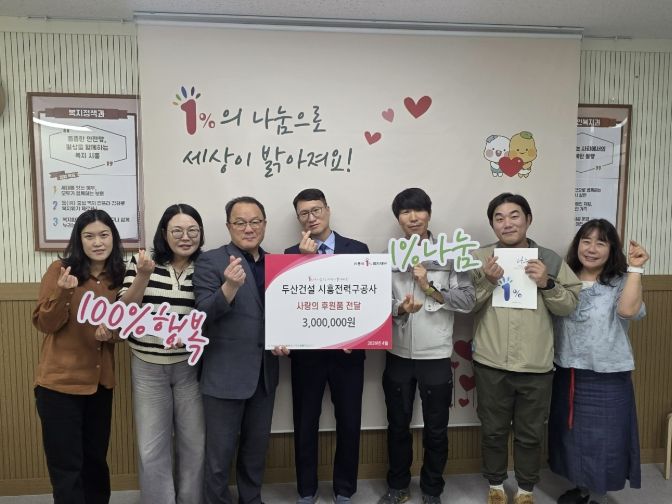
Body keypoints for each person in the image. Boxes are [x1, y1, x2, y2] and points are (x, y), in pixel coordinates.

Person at [470, 193, 582, 504]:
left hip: (536, 365)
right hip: (491, 362)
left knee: (530, 433)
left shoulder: (550, 259)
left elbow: (569, 305)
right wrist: (487, 282)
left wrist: (547, 283)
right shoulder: (481, 258)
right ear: (492, 224)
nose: (507, 223)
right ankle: (495, 485)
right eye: (499, 218)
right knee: (492, 430)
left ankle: (525, 489)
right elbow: (466, 304)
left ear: (528, 219)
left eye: (514, 215)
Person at [378, 188, 475, 504]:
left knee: (436, 428)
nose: (413, 217)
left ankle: (432, 490)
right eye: (405, 212)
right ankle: (398, 486)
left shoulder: (452, 254)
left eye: (418, 210)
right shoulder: (387, 256)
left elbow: (468, 300)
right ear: (398, 219)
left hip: (435, 355)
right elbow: (374, 302)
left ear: (429, 214)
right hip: (397, 354)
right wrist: (400, 308)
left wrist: (428, 287)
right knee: (397, 426)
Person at [549, 219, 648, 504]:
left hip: (607, 376)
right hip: (567, 371)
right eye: (586, 241)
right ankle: (582, 489)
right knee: (571, 438)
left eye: (600, 243)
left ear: (612, 249)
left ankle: (599, 495)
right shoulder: (563, 278)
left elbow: (628, 311)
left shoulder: (622, 281)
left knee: (605, 442)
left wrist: (636, 268)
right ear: (577, 245)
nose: (591, 249)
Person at [32, 209, 125, 504]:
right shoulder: (61, 270)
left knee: (95, 462)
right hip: (59, 385)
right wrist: (63, 293)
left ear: (113, 238)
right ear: (79, 240)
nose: (97, 242)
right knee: (66, 466)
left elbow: (125, 327)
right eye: (89, 236)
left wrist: (111, 334)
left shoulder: (120, 276)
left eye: (104, 235)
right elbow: (44, 324)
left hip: (99, 385)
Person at [282, 188, 369, 504]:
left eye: (316, 210)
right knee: (305, 423)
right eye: (304, 213)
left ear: (328, 210)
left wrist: (358, 336)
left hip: (348, 354)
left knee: (350, 421)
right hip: (307, 356)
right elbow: (287, 303)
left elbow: (366, 299)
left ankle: (345, 488)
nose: (311, 217)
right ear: (298, 218)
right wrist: (304, 262)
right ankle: (306, 489)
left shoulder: (357, 249)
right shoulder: (289, 254)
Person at [117, 204, 205, 504]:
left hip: (190, 367)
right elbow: (124, 312)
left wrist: (189, 334)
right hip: (147, 366)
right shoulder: (142, 261)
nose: (185, 237)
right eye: (177, 230)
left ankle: (190, 499)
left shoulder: (206, 265)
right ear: (164, 233)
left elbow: (212, 314)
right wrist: (143, 275)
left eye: (192, 230)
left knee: (194, 443)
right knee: (151, 446)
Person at [193, 196, 279, 504]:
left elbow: (286, 315)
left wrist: (286, 340)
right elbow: (202, 315)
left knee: (256, 451)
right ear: (229, 226)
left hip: (265, 373)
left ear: (265, 224)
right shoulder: (211, 261)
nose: (248, 228)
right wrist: (228, 287)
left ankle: (251, 499)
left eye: (255, 221)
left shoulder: (277, 264)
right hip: (224, 374)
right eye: (240, 222)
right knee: (219, 455)